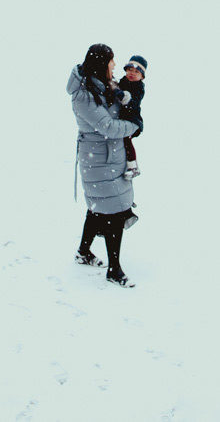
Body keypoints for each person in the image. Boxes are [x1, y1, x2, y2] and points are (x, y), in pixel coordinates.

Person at [68, 43, 140, 287]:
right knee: (114, 213)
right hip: (98, 160)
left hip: (109, 158)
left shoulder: (104, 85)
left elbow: (121, 109)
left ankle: (83, 252)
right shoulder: (83, 95)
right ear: (101, 64)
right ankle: (114, 269)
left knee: (100, 206)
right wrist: (135, 126)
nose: (115, 65)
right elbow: (108, 126)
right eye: (111, 61)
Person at [117, 55, 147, 180]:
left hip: (133, 120)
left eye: (137, 72)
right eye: (130, 70)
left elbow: (133, 102)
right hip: (122, 118)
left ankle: (133, 167)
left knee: (126, 139)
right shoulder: (122, 81)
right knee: (121, 141)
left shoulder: (139, 88)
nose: (132, 73)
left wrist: (125, 97)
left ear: (141, 77)